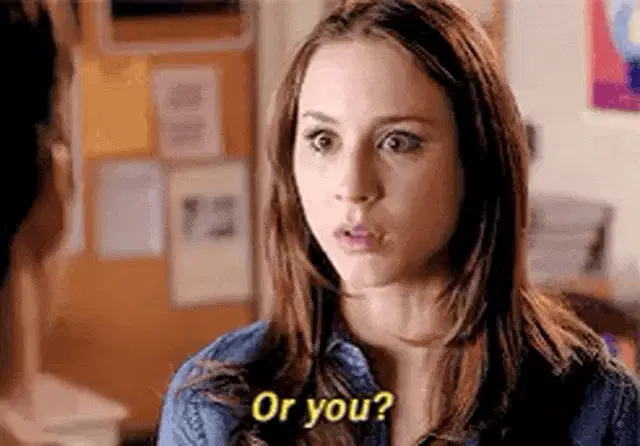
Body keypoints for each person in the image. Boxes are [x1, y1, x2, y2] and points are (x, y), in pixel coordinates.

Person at [158, 0, 640, 444]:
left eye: (397, 142)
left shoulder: (594, 409)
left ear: (475, 159)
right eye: (323, 140)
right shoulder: (215, 407)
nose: (352, 187)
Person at [0, 0, 74, 392]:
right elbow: (63, 78)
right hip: (31, 152)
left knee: (22, 265)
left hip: (29, 154)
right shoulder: (50, 12)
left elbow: (63, 80)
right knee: (23, 266)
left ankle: (19, 387)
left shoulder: (48, 12)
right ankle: (19, 387)